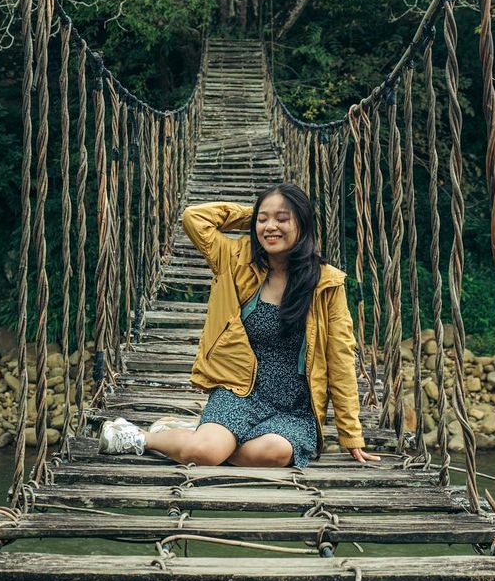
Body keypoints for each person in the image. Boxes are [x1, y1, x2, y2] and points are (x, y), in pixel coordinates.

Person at [98, 185, 379, 467]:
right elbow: (193, 217)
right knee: (203, 454)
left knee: (275, 453)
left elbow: (340, 359)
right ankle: (141, 436)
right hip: (239, 390)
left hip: (294, 405)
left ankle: (196, 436)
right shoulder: (234, 259)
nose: (271, 227)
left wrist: (351, 436)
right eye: (263, 219)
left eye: (282, 219)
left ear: (302, 223)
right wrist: (254, 216)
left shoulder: (326, 283)